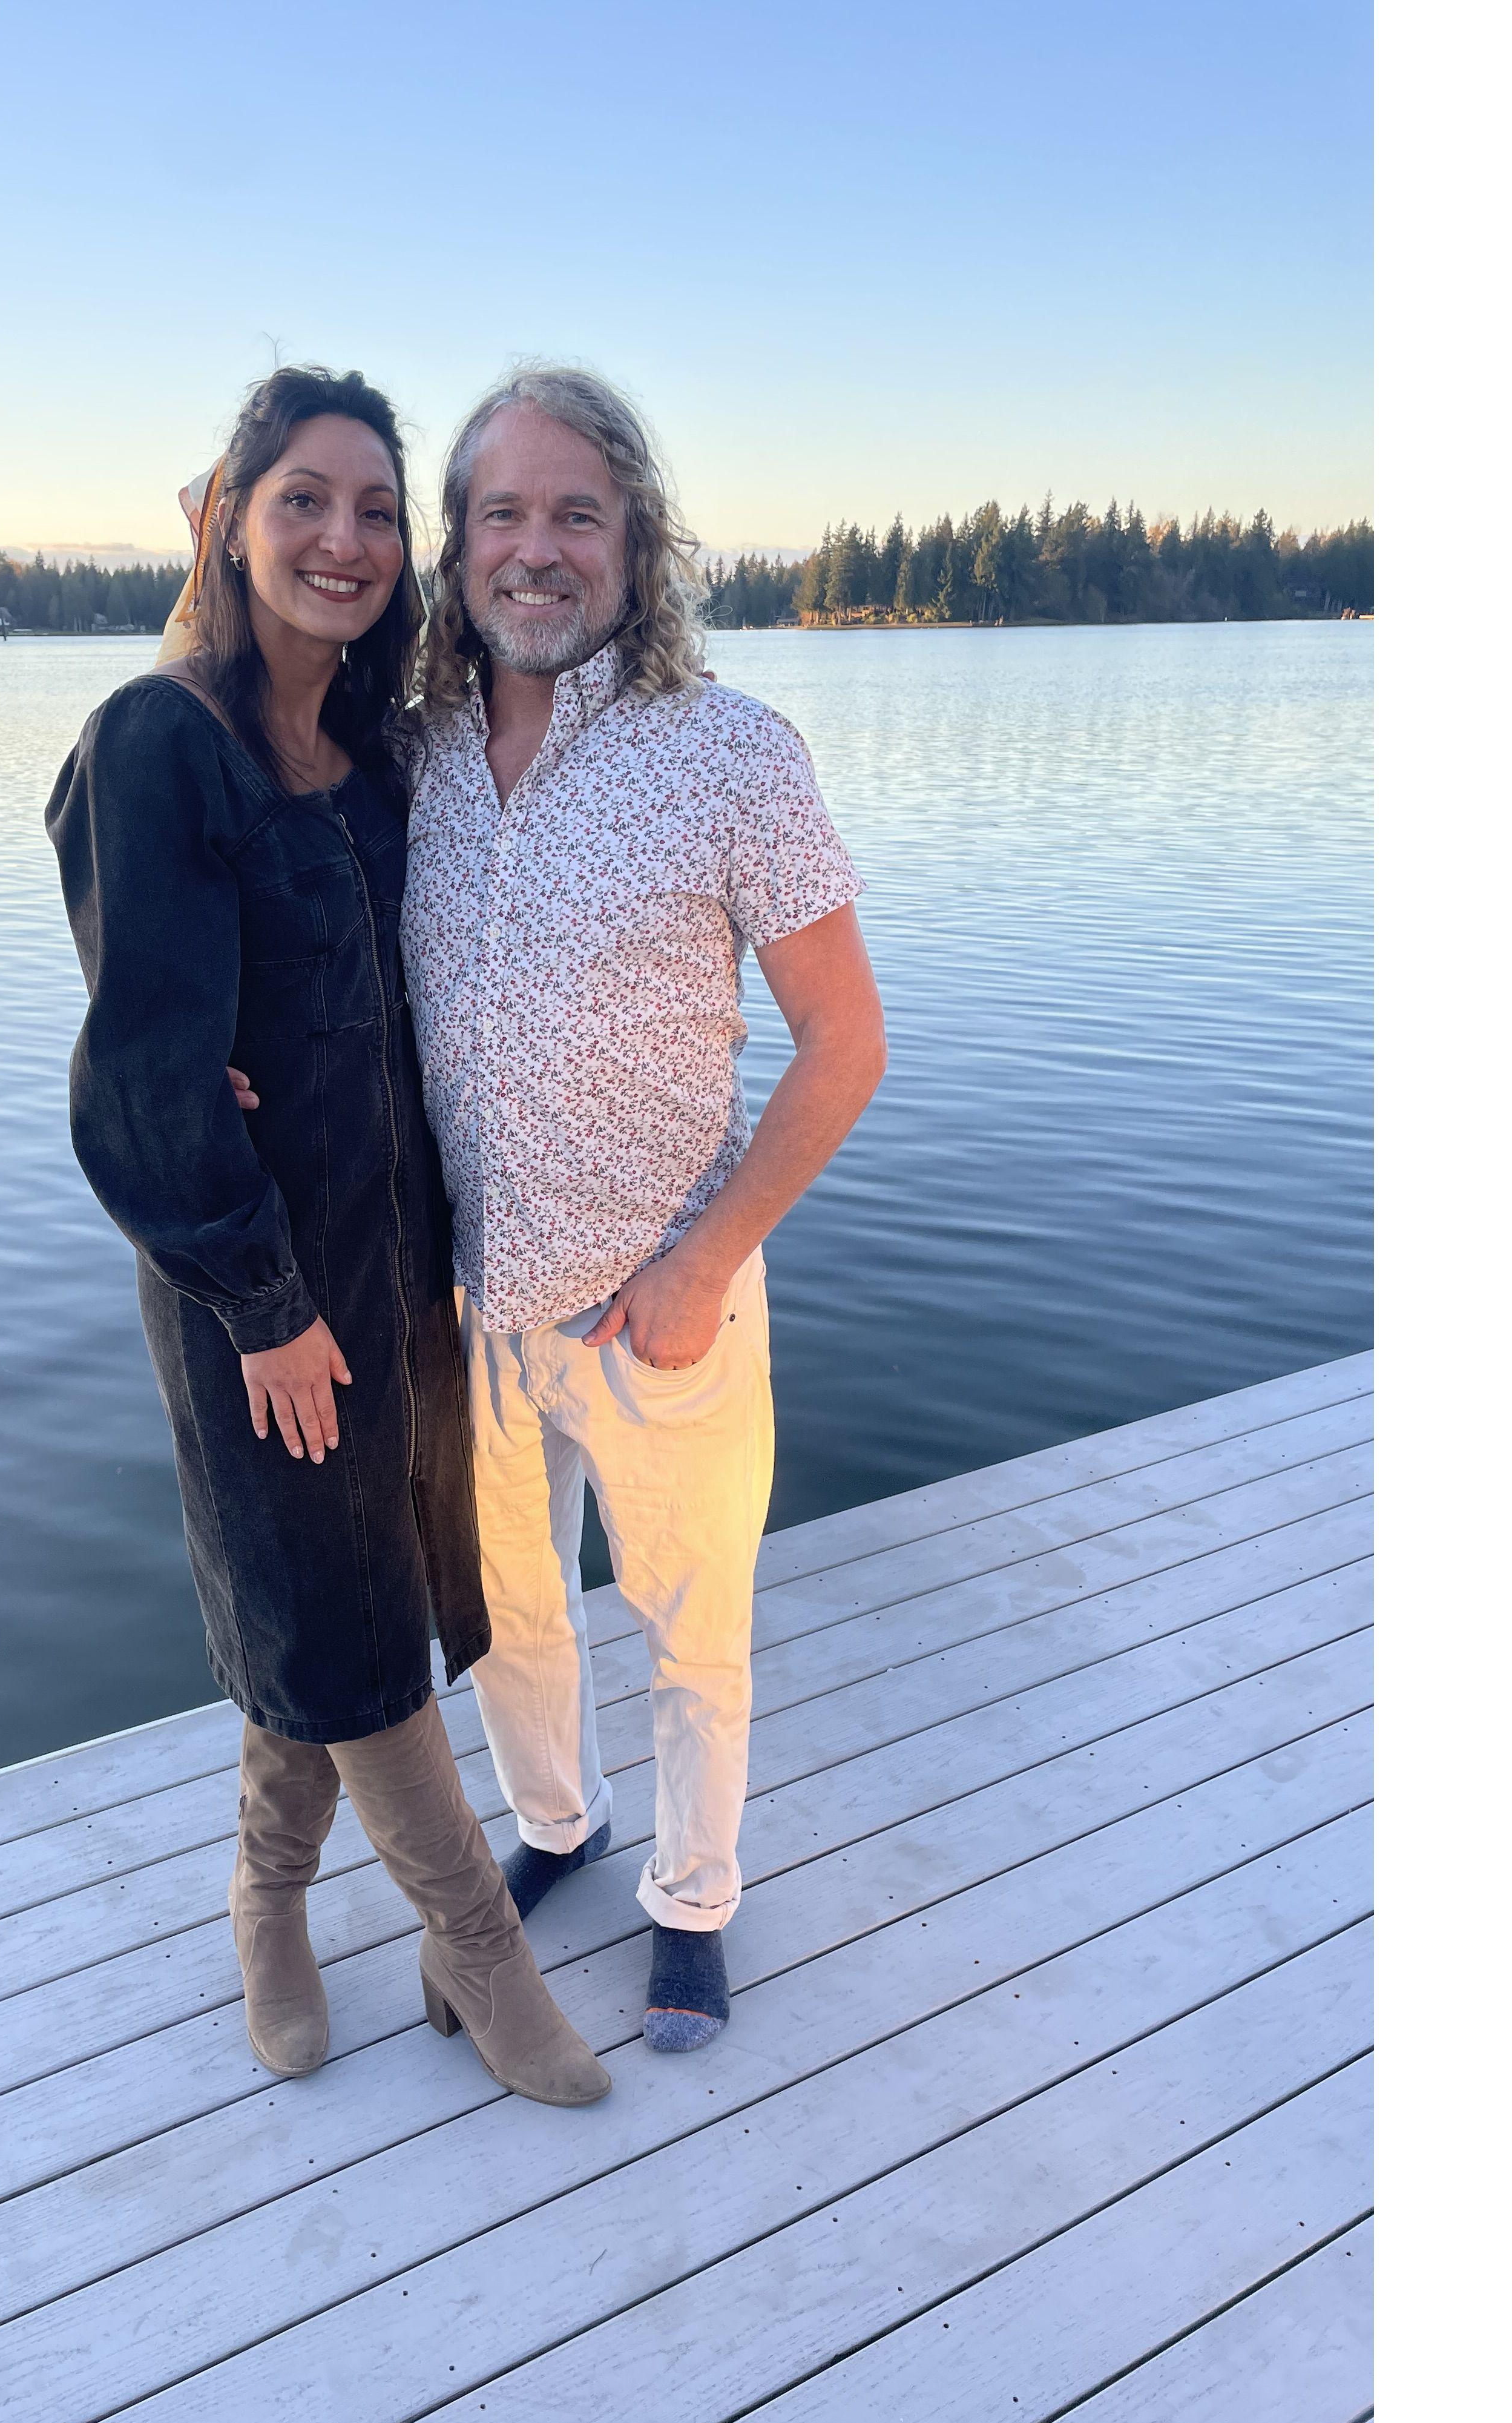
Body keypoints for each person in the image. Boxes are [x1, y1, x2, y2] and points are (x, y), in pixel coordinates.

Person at [45, 366, 608, 2108]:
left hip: (396, 1266)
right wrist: (263, 1302)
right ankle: (477, 1948)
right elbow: (141, 1080)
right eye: (303, 499)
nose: (344, 539)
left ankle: (267, 1891)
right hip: (261, 1294)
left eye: (375, 510)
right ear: (229, 520)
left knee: (342, 1595)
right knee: (342, 1615)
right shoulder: (163, 742)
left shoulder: (374, 755)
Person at [401, 366, 889, 2052]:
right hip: (472, 1302)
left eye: (577, 514)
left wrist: (704, 1263)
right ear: (459, 544)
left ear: (637, 541)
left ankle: (693, 1900)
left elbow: (847, 1044)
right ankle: (558, 1825)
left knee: (695, 1632)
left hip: (660, 1303)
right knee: (509, 1618)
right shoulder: (415, 755)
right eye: (503, 513)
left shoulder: (734, 754)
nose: (537, 549)